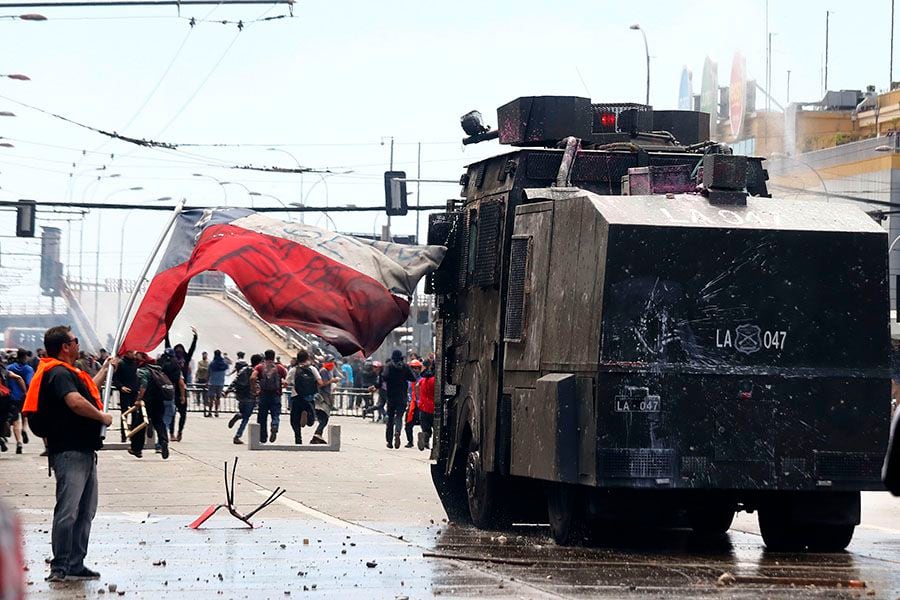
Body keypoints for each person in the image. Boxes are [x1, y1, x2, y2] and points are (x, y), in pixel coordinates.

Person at [22, 325, 114, 582]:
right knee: (69, 510)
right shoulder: (59, 372)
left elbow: (86, 392)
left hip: (84, 451)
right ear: (65, 346)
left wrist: (106, 368)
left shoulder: (68, 373)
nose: (77, 344)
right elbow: (75, 402)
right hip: (70, 451)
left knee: (86, 511)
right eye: (74, 340)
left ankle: (76, 563)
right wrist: (102, 417)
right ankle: (60, 566)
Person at [134, 353, 173, 460]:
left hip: (148, 401)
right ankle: (163, 440)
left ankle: (136, 448)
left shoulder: (143, 370)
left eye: (138, 356)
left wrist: (138, 400)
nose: (135, 357)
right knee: (159, 422)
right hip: (159, 401)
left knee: (140, 424)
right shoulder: (158, 370)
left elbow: (143, 385)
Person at [251, 349, 287, 443]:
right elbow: (286, 381)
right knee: (275, 414)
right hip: (276, 395)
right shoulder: (280, 368)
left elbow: (253, 377)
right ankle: (274, 425)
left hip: (263, 395)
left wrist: (254, 389)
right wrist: (281, 385)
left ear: (265, 357)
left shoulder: (260, 367)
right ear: (274, 356)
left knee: (262, 417)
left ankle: (263, 438)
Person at [112, 350, 144, 458]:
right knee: (124, 413)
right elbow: (115, 378)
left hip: (134, 392)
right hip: (125, 392)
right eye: (130, 352)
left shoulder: (135, 364)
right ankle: (123, 435)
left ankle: (133, 435)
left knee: (135, 415)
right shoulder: (121, 364)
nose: (132, 354)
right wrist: (120, 387)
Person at [381, 349, 415, 449]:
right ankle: (397, 432)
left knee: (390, 419)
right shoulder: (405, 367)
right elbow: (412, 378)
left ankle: (389, 442)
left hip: (391, 396)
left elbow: (385, 377)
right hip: (402, 396)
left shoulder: (389, 366)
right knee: (399, 417)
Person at [227, 353, 261, 444]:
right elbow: (258, 384)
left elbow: (235, 381)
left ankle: (238, 415)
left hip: (240, 396)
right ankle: (237, 436)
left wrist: (227, 390)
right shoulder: (257, 371)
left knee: (243, 413)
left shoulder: (243, 369)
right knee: (246, 417)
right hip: (251, 396)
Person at [290, 349, 320, 445]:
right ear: (307, 358)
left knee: (294, 420)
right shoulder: (312, 369)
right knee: (311, 421)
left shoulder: (294, 370)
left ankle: (298, 439)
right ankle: (307, 414)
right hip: (309, 397)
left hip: (296, 396)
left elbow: (286, 382)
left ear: (297, 359)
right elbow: (320, 382)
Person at [7, 349, 33, 454]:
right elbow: (29, 382)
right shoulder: (28, 369)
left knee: (15, 420)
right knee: (24, 416)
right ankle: (24, 429)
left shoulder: (9, 368)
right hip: (24, 396)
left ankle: (19, 442)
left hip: (12, 396)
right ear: (25, 356)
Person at [158, 348, 186, 443]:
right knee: (167, 418)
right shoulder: (176, 367)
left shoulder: (158, 366)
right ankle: (161, 441)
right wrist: (182, 396)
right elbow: (181, 383)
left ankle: (158, 432)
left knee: (157, 417)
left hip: (158, 394)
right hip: (170, 394)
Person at [311, 357, 340, 444]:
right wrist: (332, 381)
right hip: (322, 398)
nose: (332, 364)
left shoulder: (328, 371)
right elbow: (321, 384)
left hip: (326, 396)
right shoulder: (323, 371)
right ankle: (317, 434)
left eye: (332, 362)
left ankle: (317, 436)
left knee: (324, 418)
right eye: (330, 362)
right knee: (324, 418)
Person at [402, 359, 423, 448]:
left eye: (417, 368)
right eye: (413, 368)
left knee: (425, 424)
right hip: (411, 405)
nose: (415, 370)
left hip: (421, 405)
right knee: (408, 425)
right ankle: (410, 441)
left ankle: (424, 440)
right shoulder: (407, 381)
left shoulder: (422, 380)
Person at [416, 358, 435, 451]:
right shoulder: (435, 380)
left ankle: (425, 438)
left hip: (423, 407)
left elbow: (416, 387)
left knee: (425, 428)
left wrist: (418, 398)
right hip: (433, 408)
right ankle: (428, 441)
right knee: (436, 428)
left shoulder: (423, 380)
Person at [206, 350, 229, 417]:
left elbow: (209, 373)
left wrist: (207, 382)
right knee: (218, 398)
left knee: (211, 398)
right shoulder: (224, 364)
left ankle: (210, 412)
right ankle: (216, 412)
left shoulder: (212, 364)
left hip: (212, 382)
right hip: (221, 383)